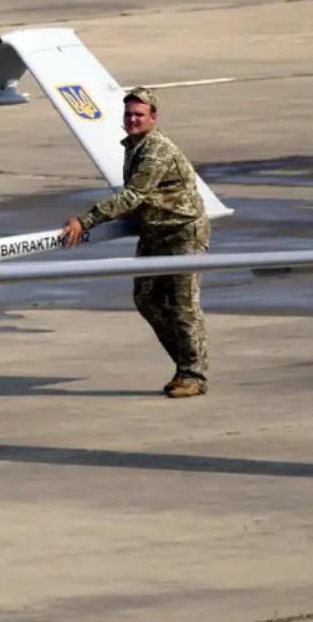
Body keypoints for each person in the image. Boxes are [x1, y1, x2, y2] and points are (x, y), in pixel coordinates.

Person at [60, 86, 210, 398]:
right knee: (146, 299)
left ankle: (193, 375)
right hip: (155, 231)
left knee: (183, 306)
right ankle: (186, 365)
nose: (132, 119)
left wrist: (85, 220)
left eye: (139, 115)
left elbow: (133, 195)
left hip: (182, 232)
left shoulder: (156, 151)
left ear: (153, 118)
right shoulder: (134, 146)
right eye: (128, 114)